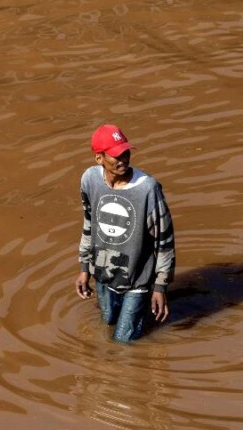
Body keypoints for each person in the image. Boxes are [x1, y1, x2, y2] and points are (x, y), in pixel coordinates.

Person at [75, 123, 175, 342]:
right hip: (103, 272)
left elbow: (164, 241)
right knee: (109, 320)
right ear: (99, 158)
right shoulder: (89, 180)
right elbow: (89, 224)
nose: (124, 159)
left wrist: (160, 286)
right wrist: (85, 267)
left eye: (126, 152)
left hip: (138, 278)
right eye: (116, 155)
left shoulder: (148, 189)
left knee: (122, 342)